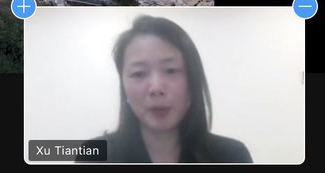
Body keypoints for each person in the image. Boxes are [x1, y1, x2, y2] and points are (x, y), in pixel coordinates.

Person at [88, 15, 252, 163]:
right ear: (123, 86)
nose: (156, 88)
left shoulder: (231, 156)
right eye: (139, 73)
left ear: (192, 80)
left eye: (171, 70)